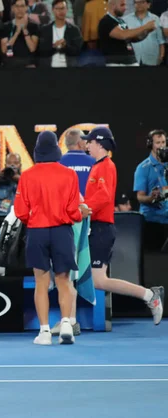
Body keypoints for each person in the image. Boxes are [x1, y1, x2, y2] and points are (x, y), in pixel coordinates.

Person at [82, 126, 164, 325]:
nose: (87, 145)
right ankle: (68, 319)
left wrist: (82, 209)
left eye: (90, 142)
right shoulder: (97, 166)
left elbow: (103, 197)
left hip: (101, 228)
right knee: (90, 279)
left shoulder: (106, 166)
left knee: (98, 281)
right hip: (95, 227)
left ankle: (148, 295)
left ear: (99, 144)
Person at [14, 131, 86, 345]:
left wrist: (35, 219)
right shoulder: (69, 175)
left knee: (41, 282)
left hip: (37, 232)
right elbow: (74, 211)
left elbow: (20, 211)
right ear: (56, 147)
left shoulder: (27, 175)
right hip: (62, 232)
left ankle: (44, 332)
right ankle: (66, 324)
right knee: (63, 281)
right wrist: (76, 215)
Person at [51, 128, 96, 336]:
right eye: (85, 142)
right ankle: (71, 320)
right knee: (75, 271)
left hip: (63, 224)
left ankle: (71, 319)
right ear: (79, 143)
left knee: (67, 272)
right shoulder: (93, 163)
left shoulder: (58, 166)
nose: (87, 145)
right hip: (88, 221)